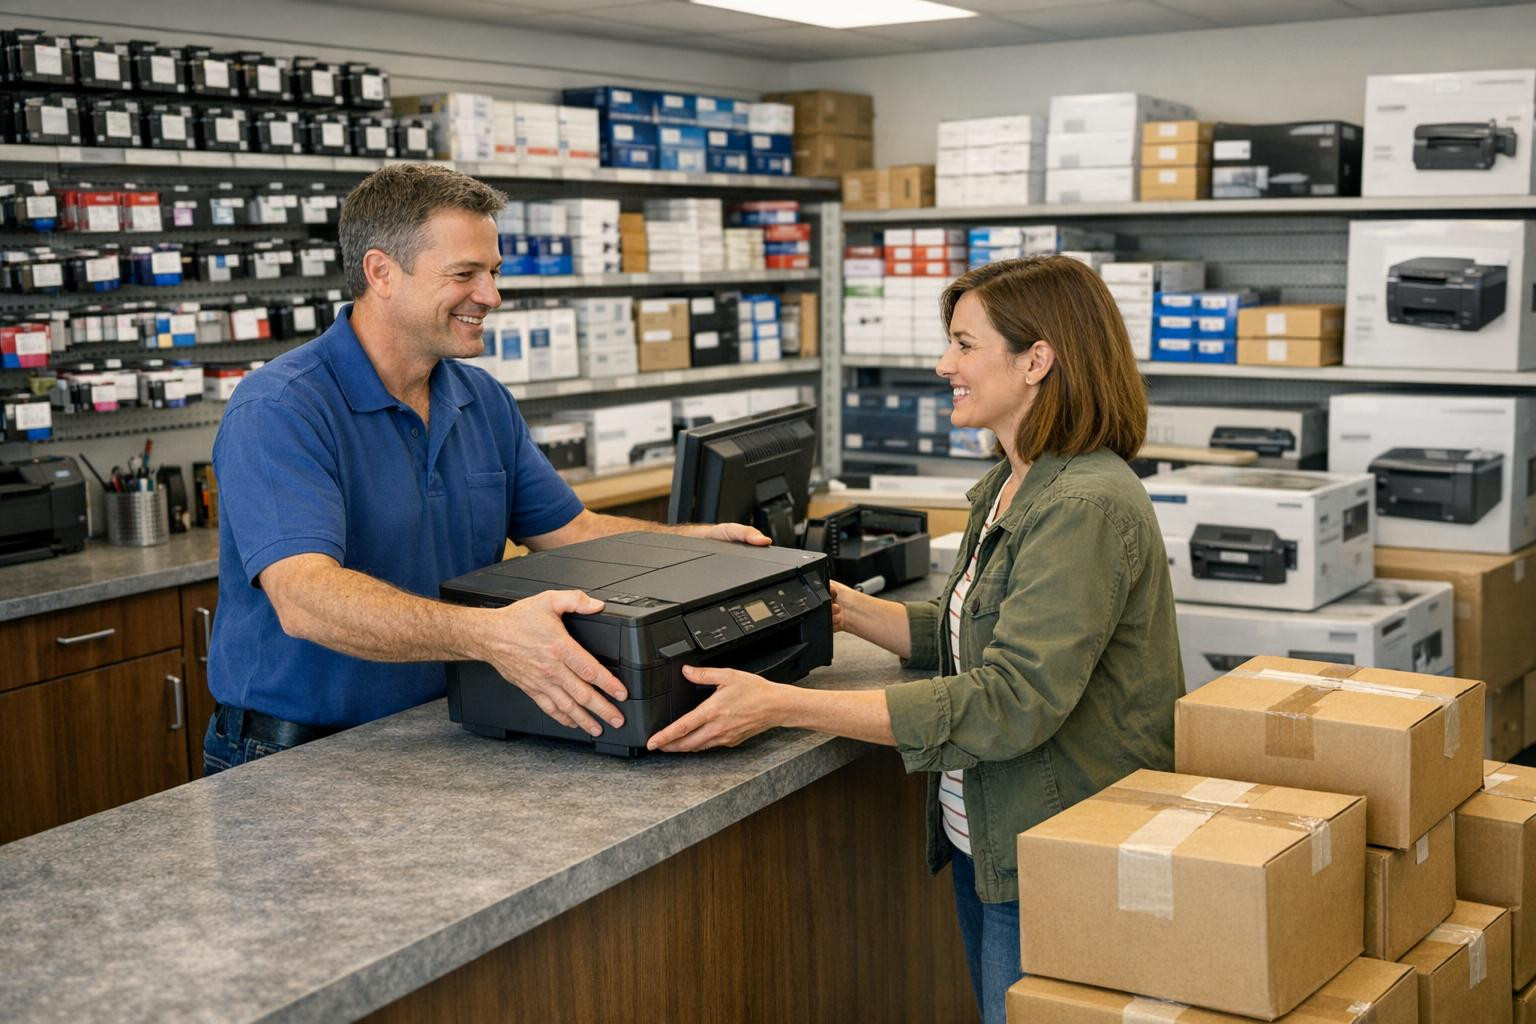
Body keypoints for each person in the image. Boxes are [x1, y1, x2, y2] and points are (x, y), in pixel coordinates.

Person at [646, 255, 1184, 1024]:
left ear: (1038, 359)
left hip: (1055, 854)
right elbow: (978, 629)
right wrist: (848, 611)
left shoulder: (1083, 506)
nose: (945, 365)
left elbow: (1009, 702)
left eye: (965, 345)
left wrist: (785, 705)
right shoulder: (1014, 480)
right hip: (995, 841)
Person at [204, 164, 765, 775]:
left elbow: (571, 534)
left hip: (445, 728)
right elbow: (307, 600)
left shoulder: (481, 400)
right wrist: (489, 636)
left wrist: (695, 547)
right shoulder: (281, 408)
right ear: (380, 272)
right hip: (296, 755)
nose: (492, 296)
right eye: (464, 274)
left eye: (493, 272)